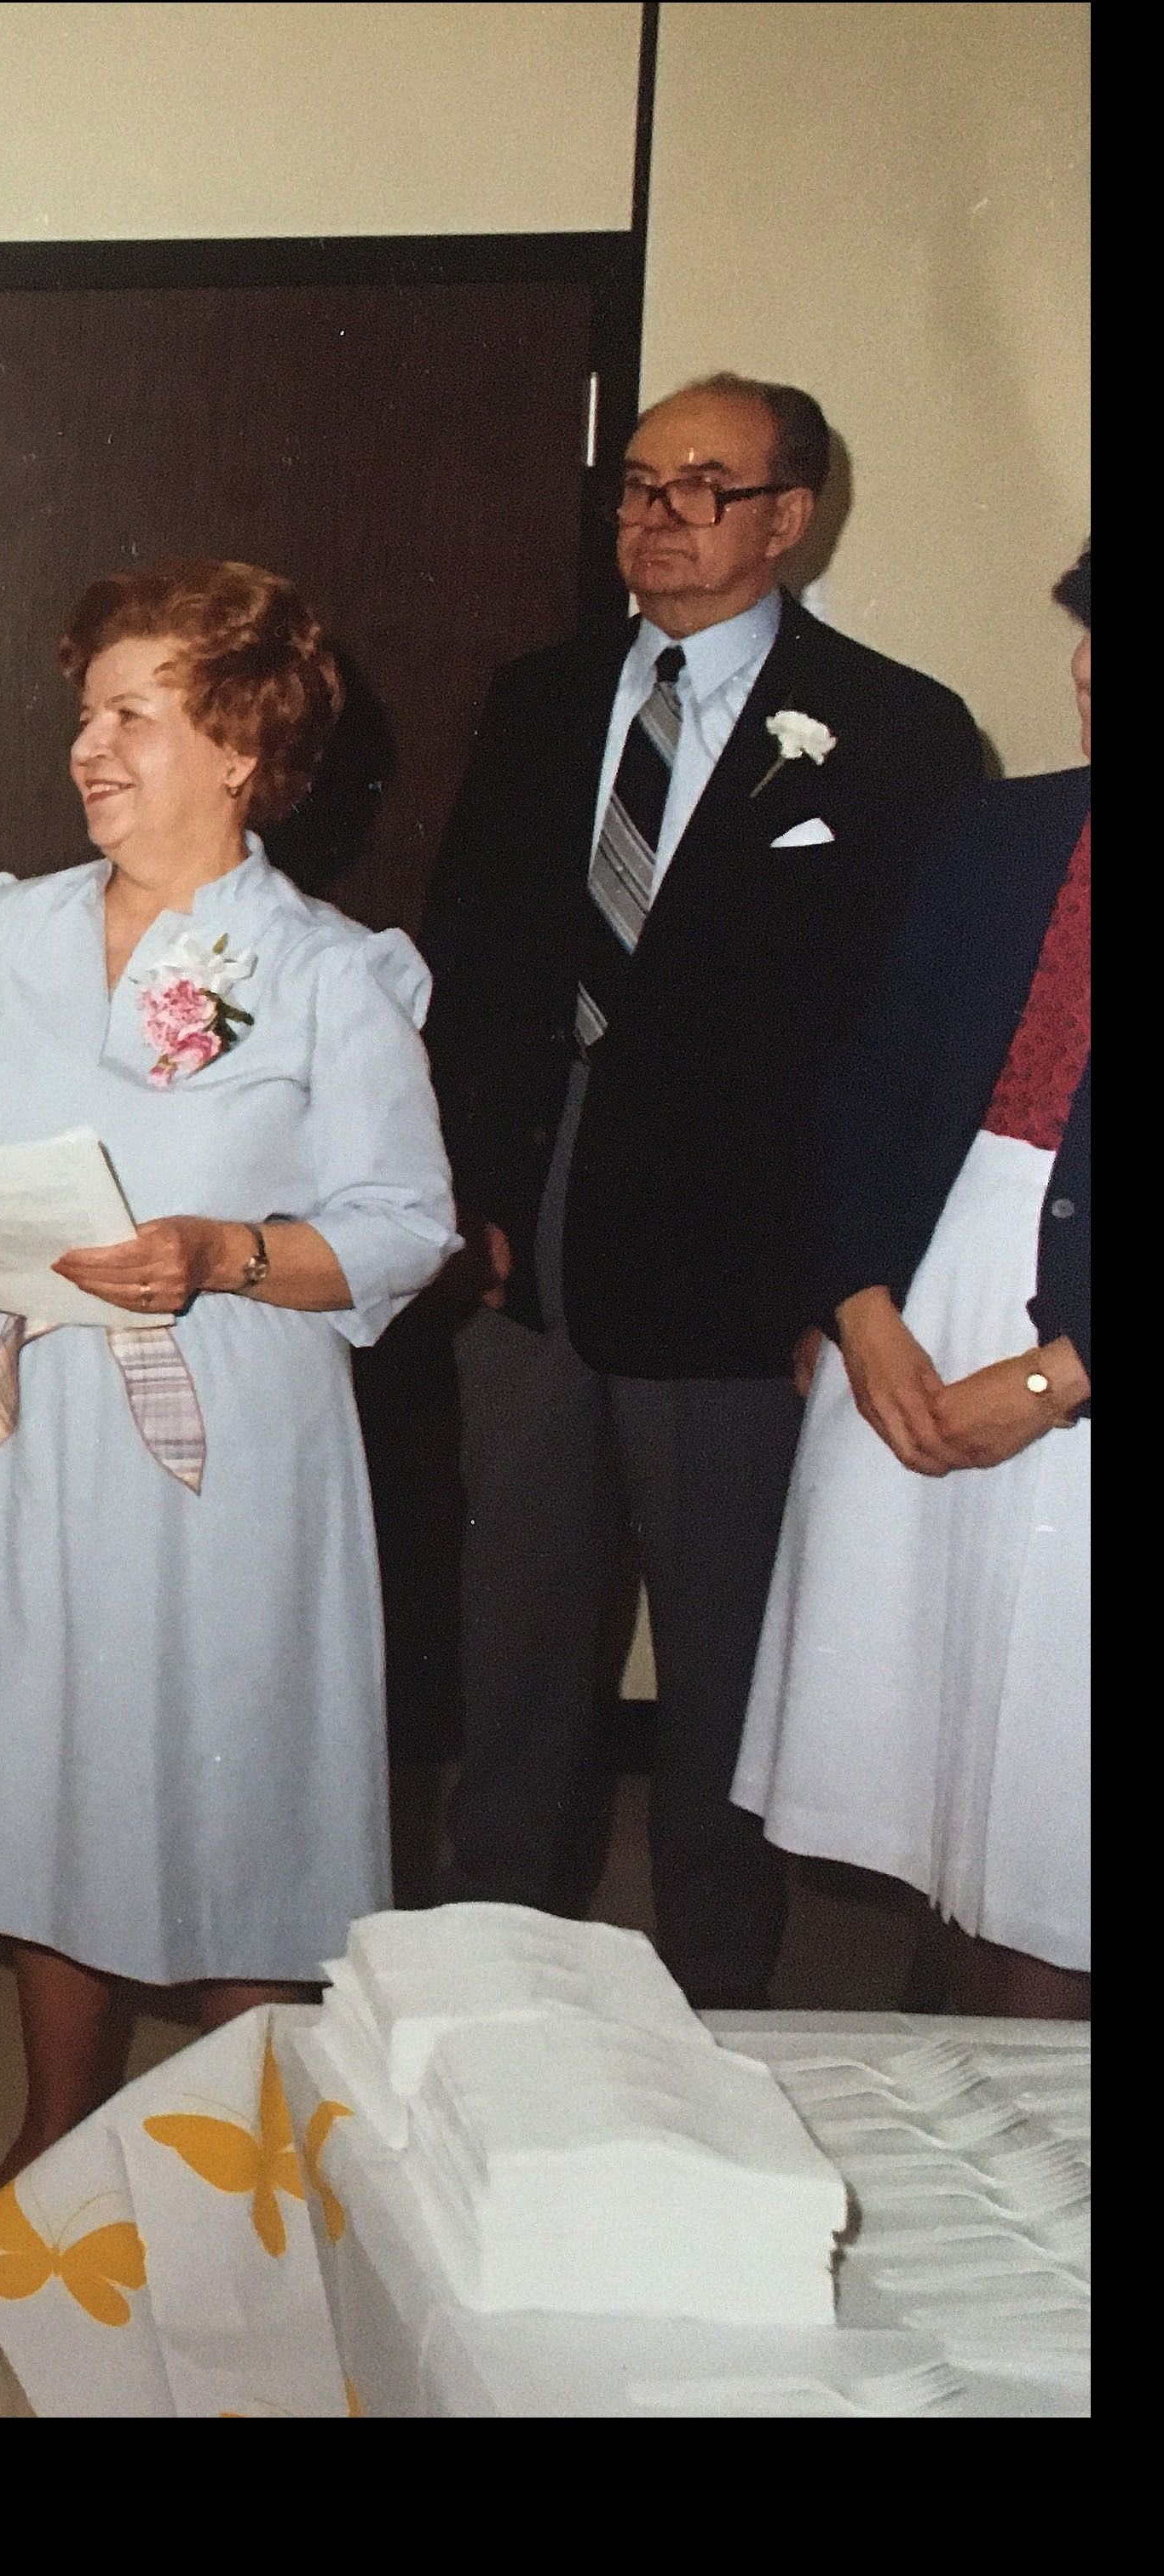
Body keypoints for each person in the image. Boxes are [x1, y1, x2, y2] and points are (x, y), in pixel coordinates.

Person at [0, 562, 457, 2278]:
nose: (90, 746)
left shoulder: (328, 970)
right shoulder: (13, 927)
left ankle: (244, 2184)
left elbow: (403, 1226)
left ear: (240, 747)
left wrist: (223, 1252)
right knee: (46, 1768)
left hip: (227, 1441)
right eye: (88, 712)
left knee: (240, 1784)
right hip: (25, 1426)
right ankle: (55, 2141)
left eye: (132, 714)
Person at [421, 374, 984, 2007]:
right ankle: (486, 1988)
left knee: (728, 1669)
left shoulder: (894, 730)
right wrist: (466, 1200)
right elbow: (468, 966)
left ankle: (717, 2004)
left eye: (701, 487)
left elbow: (912, 1043)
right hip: (528, 1250)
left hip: (745, 1280)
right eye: (639, 484)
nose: (656, 516)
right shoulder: (542, 697)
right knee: (515, 1643)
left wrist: (844, 1284)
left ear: (788, 519)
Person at [735, 549, 1092, 2015]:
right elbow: (871, 1078)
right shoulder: (1004, 832)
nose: (1088, 670)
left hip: (1070, 1348)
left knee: (1053, 1800)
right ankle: (951, 2099)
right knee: (943, 1765)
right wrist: (860, 1302)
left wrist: (1062, 1376)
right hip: (936, 1295)